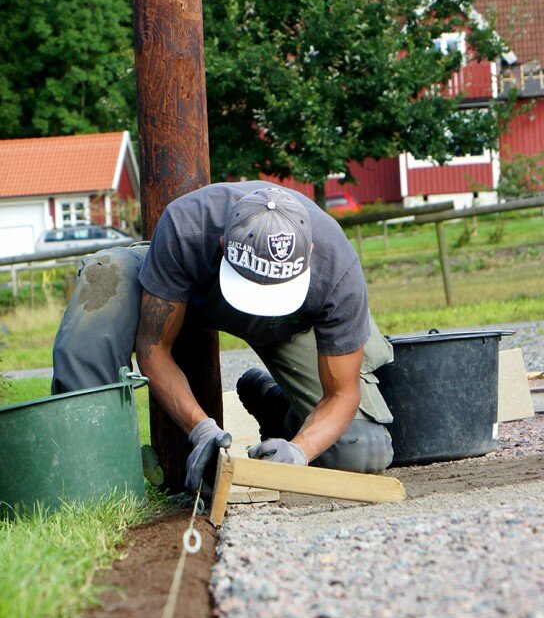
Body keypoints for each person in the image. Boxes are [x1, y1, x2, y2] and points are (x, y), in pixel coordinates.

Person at [52, 181, 394, 494]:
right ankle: (90, 469)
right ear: (222, 243)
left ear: (311, 252)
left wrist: (300, 451)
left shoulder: (338, 270)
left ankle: (273, 406)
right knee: (103, 278)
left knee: (362, 450)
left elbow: (342, 393)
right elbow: (153, 348)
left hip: (287, 325)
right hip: (185, 290)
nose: (260, 300)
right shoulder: (188, 226)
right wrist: (201, 430)